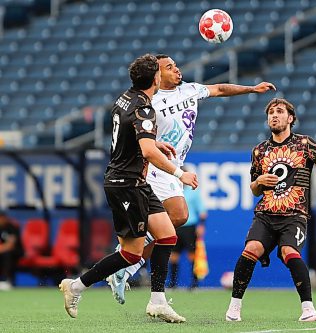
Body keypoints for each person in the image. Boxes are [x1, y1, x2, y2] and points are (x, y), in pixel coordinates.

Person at [107, 54, 275, 303]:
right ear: (156, 75)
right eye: (169, 67)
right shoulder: (149, 101)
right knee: (176, 217)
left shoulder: (190, 90)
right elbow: (139, 136)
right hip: (156, 167)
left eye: (176, 65)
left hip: (174, 165)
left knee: (173, 220)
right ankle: (131, 267)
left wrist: (251, 88)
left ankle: (127, 263)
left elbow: (219, 88)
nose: (176, 70)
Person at [59, 54, 198, 323]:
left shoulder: (125, 98)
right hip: (125, 185)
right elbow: (146, 149)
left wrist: (156, 144)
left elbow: (132, 138)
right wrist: (179, 172)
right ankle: (76, 286)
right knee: (130, 254)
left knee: (168, 235)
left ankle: (158, 301)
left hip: (137, 183)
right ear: (155, 78)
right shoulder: (145, 109)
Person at [224, 98, 316, 322]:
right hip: (266, 215)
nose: (274, 115)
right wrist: (259, 180)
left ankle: (308, 308)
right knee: (251, 249)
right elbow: (254, 189)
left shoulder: (305, 144)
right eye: (270, 112)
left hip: (294, 216)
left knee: (290, 252)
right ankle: (234, 307)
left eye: (279, 111)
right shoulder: (259, 151)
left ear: (290, 118)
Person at [167, 170, 208, 290]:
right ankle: (173, 284)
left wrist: (201, 226)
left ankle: (194, 284)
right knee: (173, 256)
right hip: (175, 227)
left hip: (189, 227)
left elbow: (202, 212)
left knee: (192, 255)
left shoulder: (192, 191)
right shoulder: (171, 189)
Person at [0, 211, 23, 290]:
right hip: (2, 251)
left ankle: (6, 280)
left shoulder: (11, 227)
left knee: (7, 254)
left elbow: (11, 245)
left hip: (16, 251)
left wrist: (1, 249)